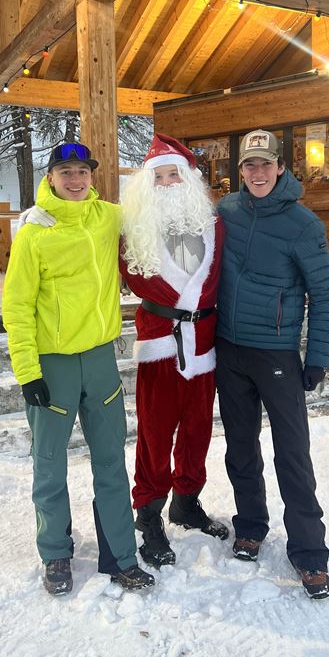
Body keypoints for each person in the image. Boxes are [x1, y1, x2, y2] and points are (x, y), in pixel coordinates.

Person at [2, 142, 154, 595]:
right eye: (65, 171)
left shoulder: (107, 217)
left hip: (100, 359)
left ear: (92, 176)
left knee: (111, 460)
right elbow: (16, 306)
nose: (75, 179)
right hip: (53, 365)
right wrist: (28, 371)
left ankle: (121, 556)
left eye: (82, 171)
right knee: (49, 463)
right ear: (50, 177)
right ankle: (55, 554)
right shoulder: (34, 233)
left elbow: (151, 215)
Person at [215, 128, 329, 600]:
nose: (258, 172)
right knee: (240, 446)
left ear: (281, 167)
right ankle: (250, 526)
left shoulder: (303, 224)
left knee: (292, 453)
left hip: (278, 353)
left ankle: (309, 553)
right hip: (230, 349)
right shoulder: (225, 212)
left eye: (266, 163)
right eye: (250, 165)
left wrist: (317, 356)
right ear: (240, 170)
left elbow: (323, 294)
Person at [119, 134, 229, 568]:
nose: (167, 183)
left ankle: (186, 501)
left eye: (174, 175)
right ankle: (147, 513)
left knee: (199, 427)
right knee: (155, 432)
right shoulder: (133, 228)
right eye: (159, 177)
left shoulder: (215, 225)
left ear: (189, 179)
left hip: (205, 340)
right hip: (161, 341)